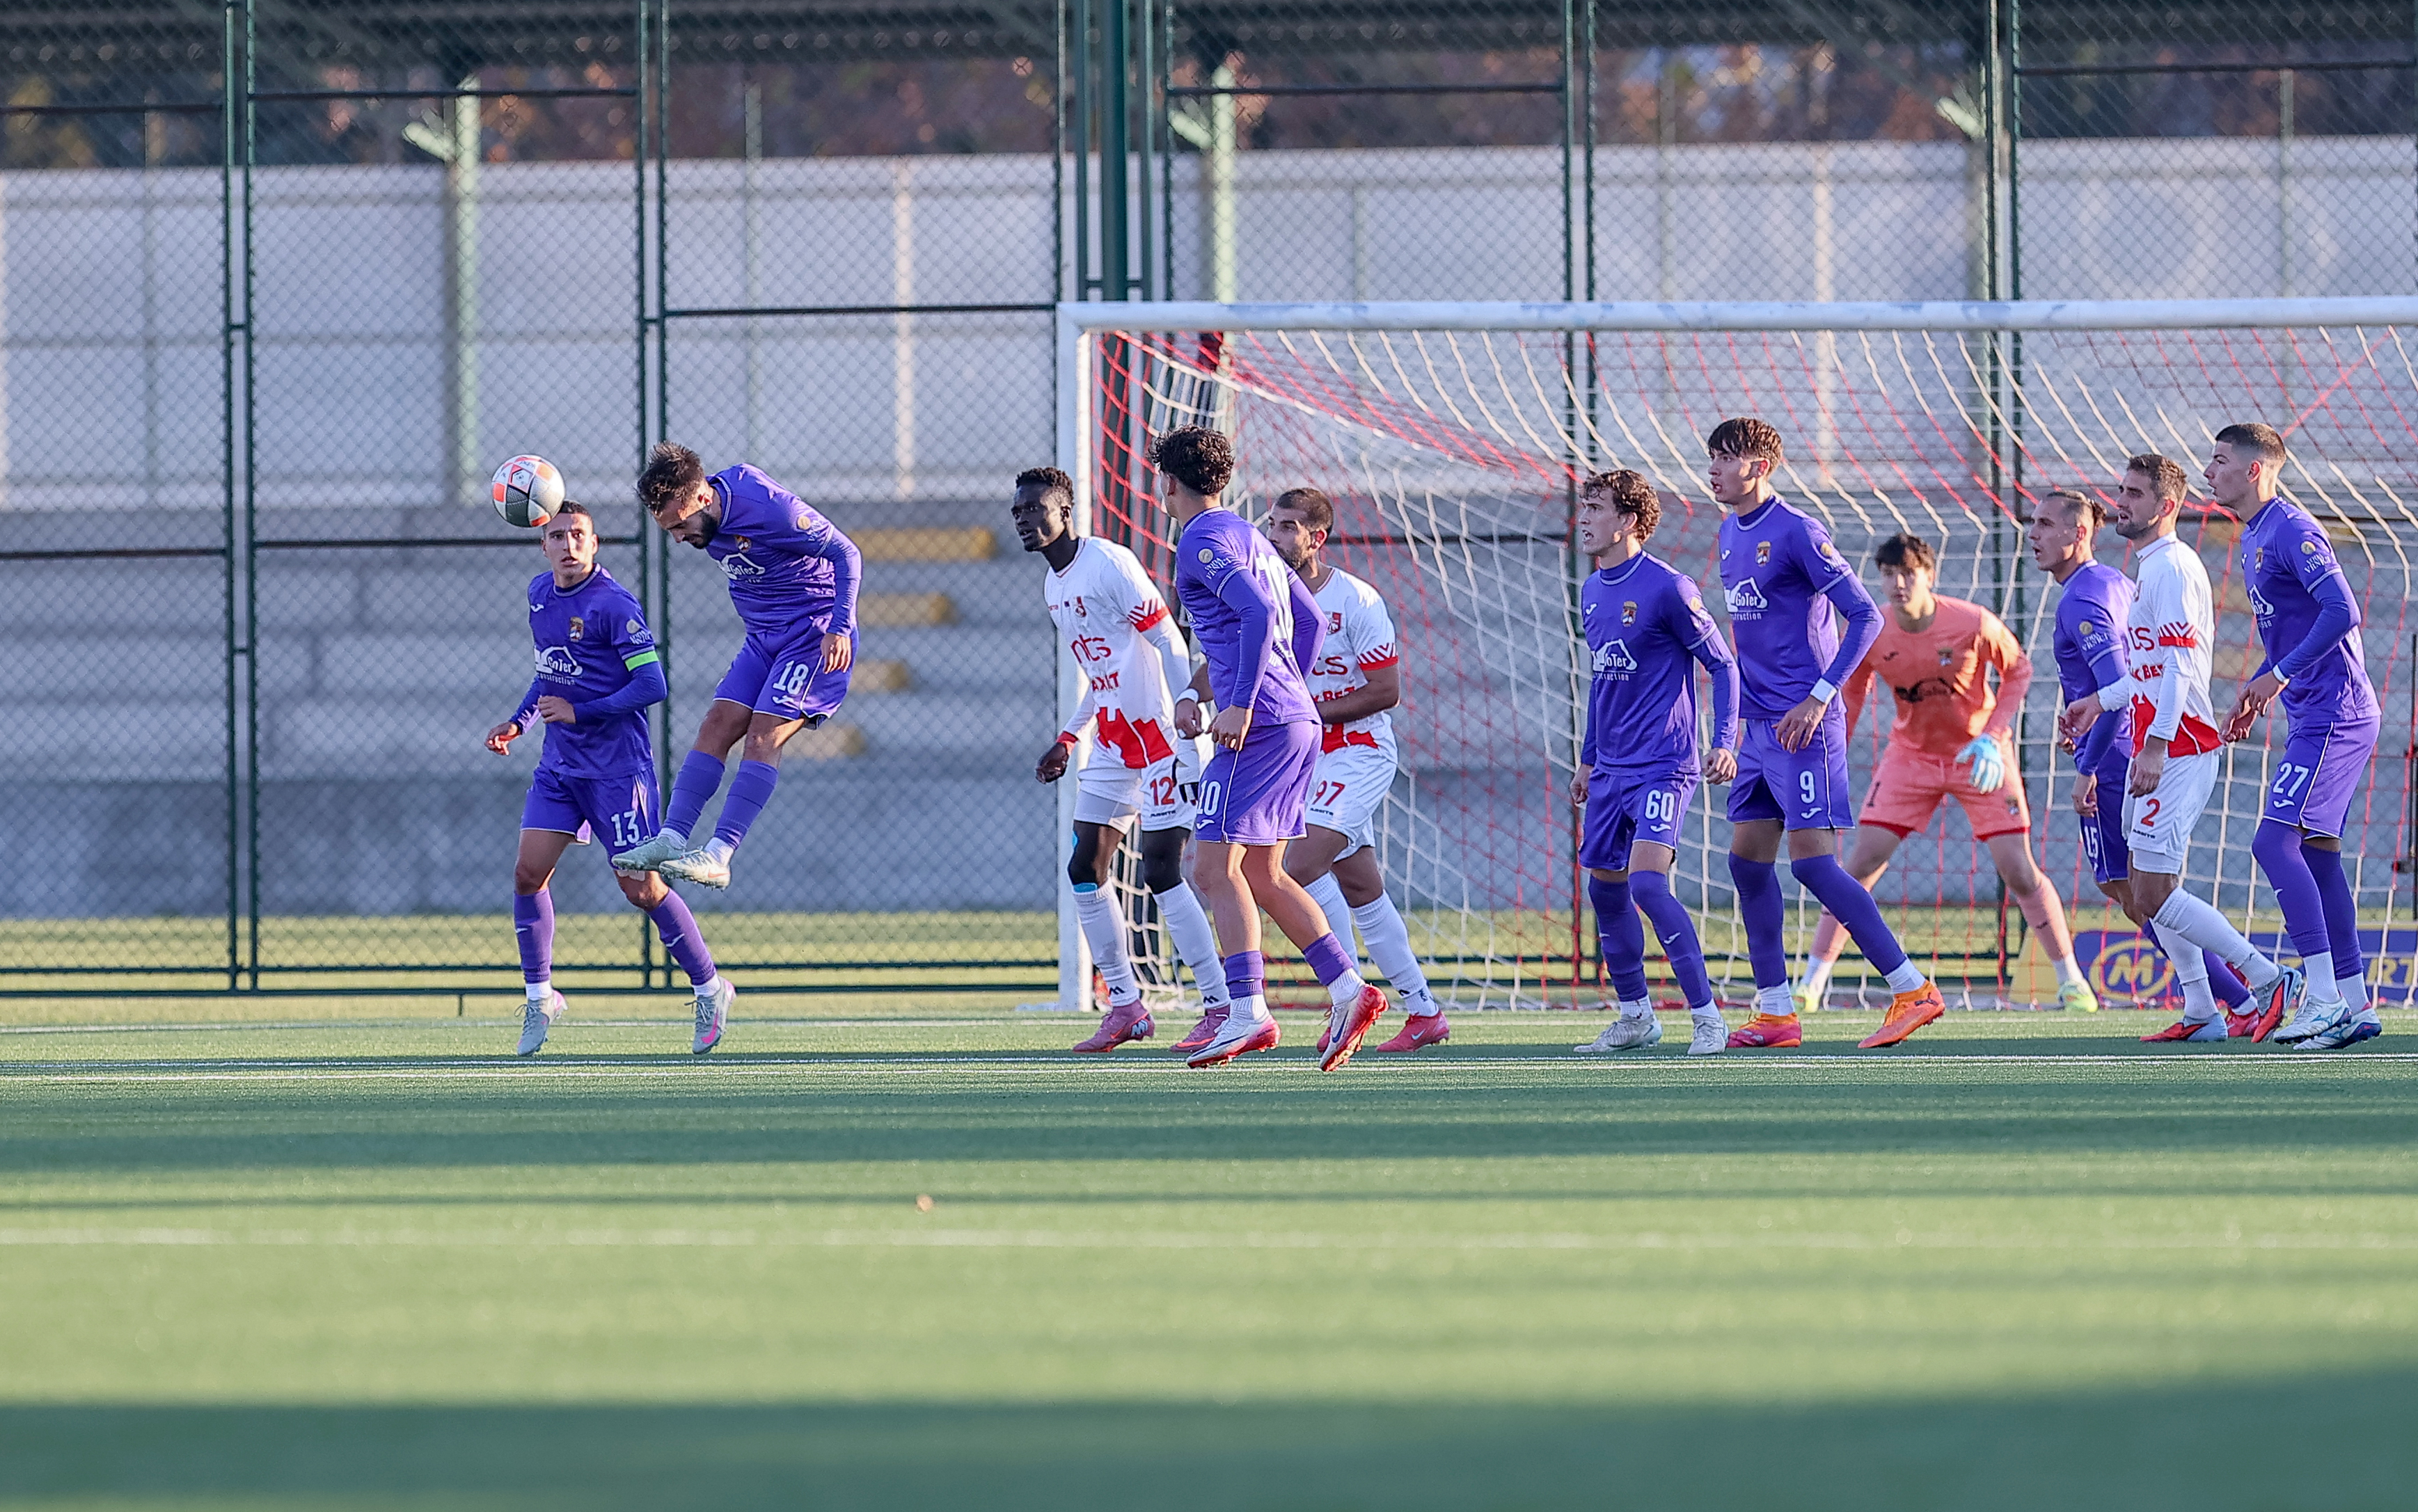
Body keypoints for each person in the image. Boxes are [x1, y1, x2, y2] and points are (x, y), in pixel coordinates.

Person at [1152, 426, 1389, 1070]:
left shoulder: (1199, 539)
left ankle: (1248, 1011)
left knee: (1212, 867)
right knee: (1261, 871)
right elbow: (1306, 619)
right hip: (1293, 720)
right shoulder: (1250, 536)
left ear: (1168, 482)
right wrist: (1286, 690)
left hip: (1260, 725)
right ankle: (1349, 988)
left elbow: (1258, 614)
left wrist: (1243, 702)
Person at [1709, 417, 1947, 1051]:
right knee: (1746, 863)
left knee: (1814, 865)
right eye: (1711, 457)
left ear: (1760, 466)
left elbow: (1866, 616)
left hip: (1804, 725)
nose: (1713, 469)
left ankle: (1912, 989)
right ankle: (1776, 1012)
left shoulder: (1798, 531)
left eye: (1726, 458)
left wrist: (1819, 697)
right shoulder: (1729, 531)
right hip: (1760, 726)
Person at [1795, 531, 2094, 1013]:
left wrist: (1993, 736)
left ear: (1929, 575)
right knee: (1858, 866)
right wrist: (1833, 754)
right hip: (1910, 757)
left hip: (1979, 756)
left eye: (1908, 573)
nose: (1898, 584)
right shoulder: (1873, 629)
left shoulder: (1973, 622)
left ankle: (2072, 982)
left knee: (2018, 870)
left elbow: (2018, 671)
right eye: (1888, 574)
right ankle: (1810, 985)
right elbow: (1852, 693)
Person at [2057, 454, 2300, 1043]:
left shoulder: (2172, 567)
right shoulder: (2150, 568)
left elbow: (2180, 666)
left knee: (2154, 893)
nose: (2121, 502)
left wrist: (2156, 746)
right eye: (2121, 491)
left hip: (2180, 748)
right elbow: (2148, 669)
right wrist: (2100, 702)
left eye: (2135, 494)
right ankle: (2201, 1010)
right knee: (2144, 894)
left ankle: (2268, 979)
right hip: (2160, 743)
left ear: (2166, 506)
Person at [484, 502, 733, 1057]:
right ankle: (541, 997)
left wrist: (582, 712)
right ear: (542, 546)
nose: (569, 544)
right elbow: (549, 671)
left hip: (618, 772)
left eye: (579, 535)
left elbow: (652, 685)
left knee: (641, 889)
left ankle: (711, 987)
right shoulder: (539, 594)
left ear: (595, 544)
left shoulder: (613, 605)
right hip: (560, 768)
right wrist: (520, 722)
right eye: (557, 536)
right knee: (527, 874)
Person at [1012, 465, 1229, 1053]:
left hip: (1161, 738)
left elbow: (1168, 639)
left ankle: (1220, 1005)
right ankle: (1128, 1006)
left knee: (1161, 870)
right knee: (1085, 867)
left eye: (1036, 509)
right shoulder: (1053, 586)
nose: (1025, 520)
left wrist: (1187, 713)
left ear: (1066, 512)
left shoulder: (1109, 564)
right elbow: (1102, 674)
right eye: (1018, 512)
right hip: (1112, 741)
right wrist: (1069, 737)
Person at [2024, 486, 2252, 1019]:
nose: (2033, 534)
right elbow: (2122, 682)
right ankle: (2223, 999)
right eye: (2032, 523)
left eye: (2045, 524)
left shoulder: (2083, 600)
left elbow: (2120, 687)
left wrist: (2088, 766)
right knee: (2138, 888)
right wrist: (2084, 715)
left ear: (2080, 532)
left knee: (2135, 891)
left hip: (2117, 757)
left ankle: (2240, 994)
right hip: (2125, 746)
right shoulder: (2113, 582)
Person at [610, 443, 862, 891]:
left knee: (763, 734)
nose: (678, 538)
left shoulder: (770, 508)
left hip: (812, 635)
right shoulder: (702, 518)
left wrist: (840, 628)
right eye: (668, 530)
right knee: (716, 724)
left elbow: (847, 553)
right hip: (763, 638)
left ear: (702, 497)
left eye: (680, 525)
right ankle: (671, 839)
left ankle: (719, 855)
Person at [2212, 423, 2384, 1049]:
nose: (2210, 471)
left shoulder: (2290, 527)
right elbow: (2294, 629)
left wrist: (2278, 675)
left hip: (2336, 712)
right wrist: (2262, 685)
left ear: (2255, 469)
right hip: (2314, 712)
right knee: (2316, 854)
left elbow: (2343, 610)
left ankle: (2322, 997)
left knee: (2271, 842)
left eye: (2220, 459)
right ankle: (2354, 1002)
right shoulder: (2255, 535)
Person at [1260, 486, 1448, 1054]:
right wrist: (1197, 694)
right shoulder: (1267, 596)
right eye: (1272, 523)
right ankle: (1424, 1011)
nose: (1275, 535)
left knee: (1297, 864)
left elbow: (1386, 690)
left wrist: (1306, 710)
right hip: (1307, 758)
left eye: (1289, 526)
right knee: (1362, 886)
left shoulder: (1357, 600)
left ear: (1317, 538)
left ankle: (1348, 996)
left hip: (1360, 751)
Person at [1560, 470, 1740, 1058]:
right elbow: (1602, 681)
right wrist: (1588, 760)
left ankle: (1708, 1017)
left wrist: (1725, 740)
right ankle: (1636, 1015)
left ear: (1629, 521)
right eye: (1585, 506)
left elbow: (1724, 665)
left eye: (1596, 508)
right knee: (1605, 891)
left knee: (1646, 883)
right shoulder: (1592, 589)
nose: (1585, 518)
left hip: (1664, 764)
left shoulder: (1669, 588)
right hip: (1610, 770)